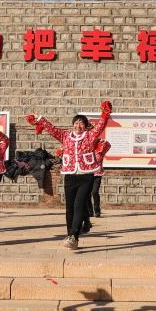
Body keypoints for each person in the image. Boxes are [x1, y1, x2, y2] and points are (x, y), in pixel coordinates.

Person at [27, 101, 112, 250]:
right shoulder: (65, 136)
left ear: (85, 126)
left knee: (79, 206)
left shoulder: (90, 136)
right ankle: (70, 235)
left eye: (82, 123)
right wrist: (40, 119)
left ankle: (74, 236)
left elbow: (100, 126)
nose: (79, 126)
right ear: (73, 125)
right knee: (69, 208)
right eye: (76, 123)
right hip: (70, 175)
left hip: (86, 175)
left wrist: (105, 114)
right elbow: (52, 129)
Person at [88, 140, 112, 219]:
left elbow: (108, 146)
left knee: (94, 192)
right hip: (88, 174)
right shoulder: (87, 151)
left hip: (97, 175)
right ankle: (90, 211)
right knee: (87, 193)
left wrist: (104, 141)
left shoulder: (100, 151)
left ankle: (97, 211)